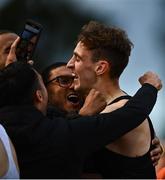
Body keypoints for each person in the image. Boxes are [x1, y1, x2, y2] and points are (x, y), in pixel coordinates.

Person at [0, 61, 161, 178]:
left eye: (75, 79)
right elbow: (127, 117)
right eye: (63, 81)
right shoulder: (60, 132)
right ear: (41, 95)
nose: (73, 86)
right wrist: (150, 86)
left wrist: (141, 146)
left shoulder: (5, 128)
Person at [67, 20, 162, 178]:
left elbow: (65, 141)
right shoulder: (117, 108)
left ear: (100, 68)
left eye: (77, 59)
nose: (69, 64)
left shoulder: (119, 111)